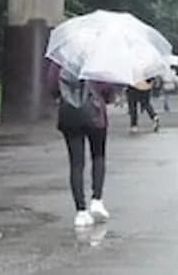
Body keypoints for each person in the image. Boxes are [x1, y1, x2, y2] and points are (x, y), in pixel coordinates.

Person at [50, 61, 116, 229]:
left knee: (76, 163)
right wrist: (107, 97)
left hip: (69, 114)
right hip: (95, 112)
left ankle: (81, 212)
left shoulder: (61, 58)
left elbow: (52, 85)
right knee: (98, 156)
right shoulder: (98, 57)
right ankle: (97, 200)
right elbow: (108, 88)